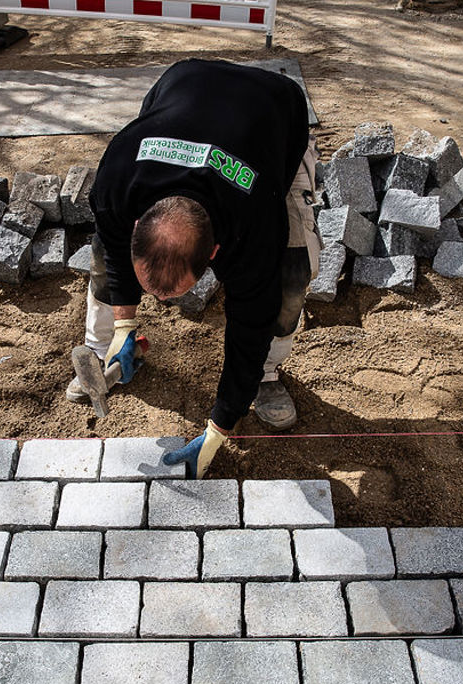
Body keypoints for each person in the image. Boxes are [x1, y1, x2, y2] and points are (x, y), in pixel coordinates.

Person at [67, 58, 321, 479]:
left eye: (174, 292)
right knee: (99, 256)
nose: (164, 303)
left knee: (292, 272)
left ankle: (268, 375)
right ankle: (102, 347)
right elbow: (114, 250)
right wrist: (127, 326)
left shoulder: (252, 226)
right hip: (185, 84)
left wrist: (220, 427)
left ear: (217, 252)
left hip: (273, 114)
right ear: (136, 226)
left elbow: (249, 325)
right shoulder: (117, 179)